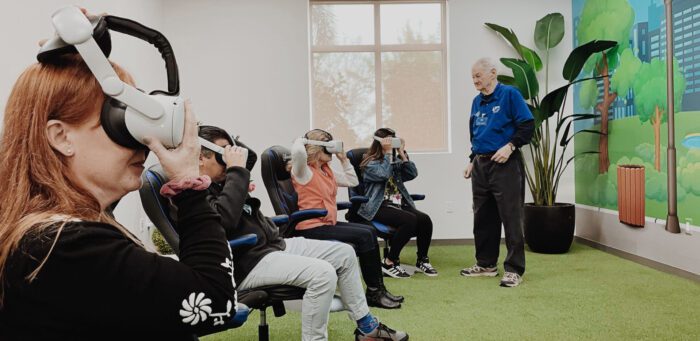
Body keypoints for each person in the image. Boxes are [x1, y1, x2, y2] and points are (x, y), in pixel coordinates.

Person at [0, 54, 237, 339]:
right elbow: (215, 300)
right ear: (62, 137)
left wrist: (86, 51)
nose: (142, 143)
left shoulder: (49, 233)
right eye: (121, 122)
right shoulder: (65, 247)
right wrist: (188, 183)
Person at [195, 126, 408, 341]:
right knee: (323, 273)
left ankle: (366, 328)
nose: (227, 159)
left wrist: (231, 150)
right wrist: (235, 171)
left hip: (272, 246)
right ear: (200, 158)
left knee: (345, 254)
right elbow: (225, 221)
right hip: (248, 262)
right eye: (221, 154)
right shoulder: (196, 190)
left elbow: (249, 158)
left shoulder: (224, 181)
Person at [288, 129, 403, 308]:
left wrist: (344, 159)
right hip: (311, 226)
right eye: (329, 146)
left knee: (369, 231)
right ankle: (374, 292)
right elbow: (297, 152)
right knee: (365, 235)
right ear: (319, 148)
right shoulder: (303, 172)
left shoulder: (326, 170)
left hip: (326, 224)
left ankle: (378, 290)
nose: (333, 150)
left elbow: (353, 181)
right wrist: (302, 140)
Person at [460, 57, 535, 288]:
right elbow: (476, 134)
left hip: (506, 164)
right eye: (472, 77)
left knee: (511, 217)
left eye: (478, 76)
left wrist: (510, 146)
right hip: (481, 167)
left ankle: (513, 270)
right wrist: (472, 159)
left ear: (492, 73)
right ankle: (486, 264)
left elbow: (527, 126)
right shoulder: (476, 102)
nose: (474, 80)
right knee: (482, 217)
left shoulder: (510, 95)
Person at [358, 128, 437, 278]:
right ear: (379, 142)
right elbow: (383, 174)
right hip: (378, 205)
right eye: (389, 140)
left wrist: (401, 153)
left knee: (425, 220)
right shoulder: (368, 161)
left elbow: (412, 174)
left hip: (399, 203)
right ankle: (388, 262)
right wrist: (388, 154)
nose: (392, 143)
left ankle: (422, 260)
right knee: (409, 220)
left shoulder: (395, 158)